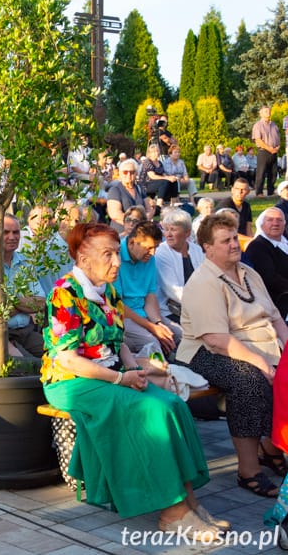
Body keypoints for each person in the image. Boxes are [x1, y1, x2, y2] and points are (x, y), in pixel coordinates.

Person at [41, 222, 226, 534]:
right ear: (84, 261)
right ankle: (173, 513)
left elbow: (119, 341)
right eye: (108, 255)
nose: (116, 262)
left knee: (172, 404)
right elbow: (69, 359)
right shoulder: (65, 294)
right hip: (71, 381)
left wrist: (132, 370)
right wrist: (119, 378)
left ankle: (189, 501)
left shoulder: (108, 290)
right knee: (150, 411)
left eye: (116, 253)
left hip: (108, 373)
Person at [177, 213, 288, 497]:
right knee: (249, 381)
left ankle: (272, 447)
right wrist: (261, 361)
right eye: (225, 241)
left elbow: (275, 317)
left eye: (234, 237)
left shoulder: (248, 273)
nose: (234, 244)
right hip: (208, 351)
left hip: (260, 345)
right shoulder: (204, 282)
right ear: (207, 248)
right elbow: (216, 338)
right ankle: (248, 470)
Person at [0, 214, 44, 357]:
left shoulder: (26, 262)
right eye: (6, 232)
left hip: (28, 331)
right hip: (1, 334)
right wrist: (25, 305)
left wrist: (11, 301)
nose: (12, 237)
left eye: (16, 232)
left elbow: (40, 302)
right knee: (30, 367)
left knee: (55, 356)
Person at [115, 220, 181, 357]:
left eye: (156, 247)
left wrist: (158, 322)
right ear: (132, 242)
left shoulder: (149, 259)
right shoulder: (116, 257)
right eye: (149, 248)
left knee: (179, 334)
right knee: (151, 342)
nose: (153, 253)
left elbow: (150, 296)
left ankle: (185, 373)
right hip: (123, 316)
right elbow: (118, 305)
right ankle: (164, 376)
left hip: (144, 313)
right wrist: (152, 327)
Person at [155, 208, 204, 324]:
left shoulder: (196, 250)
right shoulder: (161, 252)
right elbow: (173, 291)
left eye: (173, 230)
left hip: (198, 306)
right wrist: (204, 303)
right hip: (172, 310)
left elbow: (206, 279)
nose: (168, 234)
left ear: (187, 232)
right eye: (166, 230)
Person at [244, 207, 288, 318]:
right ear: (262, 224)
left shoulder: (285, 242)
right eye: (270, 220)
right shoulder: (258, 247)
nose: (275, 223)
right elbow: (269, 278)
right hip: (276, 301)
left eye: (279, 220)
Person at [106, 159, 151, 233]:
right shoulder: (115, 190)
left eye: (132, 172)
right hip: (121, 232)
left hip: (140, 232)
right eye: (125, 172)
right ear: (120, 173)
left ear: (136, 173)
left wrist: (142, 224)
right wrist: (135, 223)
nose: (128, 175)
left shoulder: (139, 189)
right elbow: (115, 214)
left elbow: (150, 209)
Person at [252, 106, 281, 197]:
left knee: (273, 173)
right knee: (261, 173)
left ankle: (271, 191)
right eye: (265, 111)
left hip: (274, 152)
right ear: (261, 114)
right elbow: (258, 140)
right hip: (263, 152)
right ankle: (259, 192)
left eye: (269, 111)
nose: (268, 113)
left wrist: (277, 148)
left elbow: (278, 139)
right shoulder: (258, 125)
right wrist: (269, 148)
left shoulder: (274, 125)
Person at [139, 144, 178, 209]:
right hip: (146, 185)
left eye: (157, 151)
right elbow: (152, 176)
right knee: (164, 182)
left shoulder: (159, 162)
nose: (156, 153)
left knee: (173, 181)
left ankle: (173, 204)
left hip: (156, 183)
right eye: (154, 152)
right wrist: (166, 178)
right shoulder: (147, 162)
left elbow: (163, 174)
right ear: (150, 153)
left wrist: (171, 178)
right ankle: (159, 205)